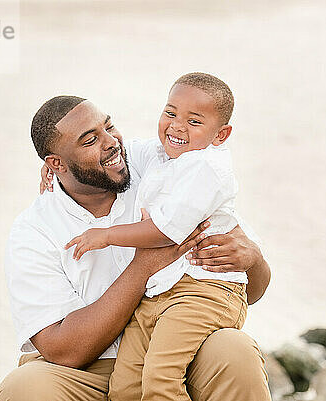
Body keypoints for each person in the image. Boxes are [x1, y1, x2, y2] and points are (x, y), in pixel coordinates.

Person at [0, 93, 272, 400]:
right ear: (55, 164)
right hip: (81, 372)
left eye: (109, 126)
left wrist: (253, 259)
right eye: (90, 140)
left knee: (234, 350)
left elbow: (252, 289)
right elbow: (63, 350)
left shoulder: (159, 164)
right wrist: (143, 267)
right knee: (25, 387)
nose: (111, 142)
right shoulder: (33, 230)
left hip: (172, 347)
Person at [64, 73, 253, 401]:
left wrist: (107, 235)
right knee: (124, 389)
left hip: (202, 290)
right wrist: (59, 165)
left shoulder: (207, 168)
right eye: (171, 113)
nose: (178, 126)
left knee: (160, 379)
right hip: (158, 292)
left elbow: (167, 232)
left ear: (221, 135)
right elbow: (112, 153)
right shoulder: (165, 156)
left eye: (194, 121)